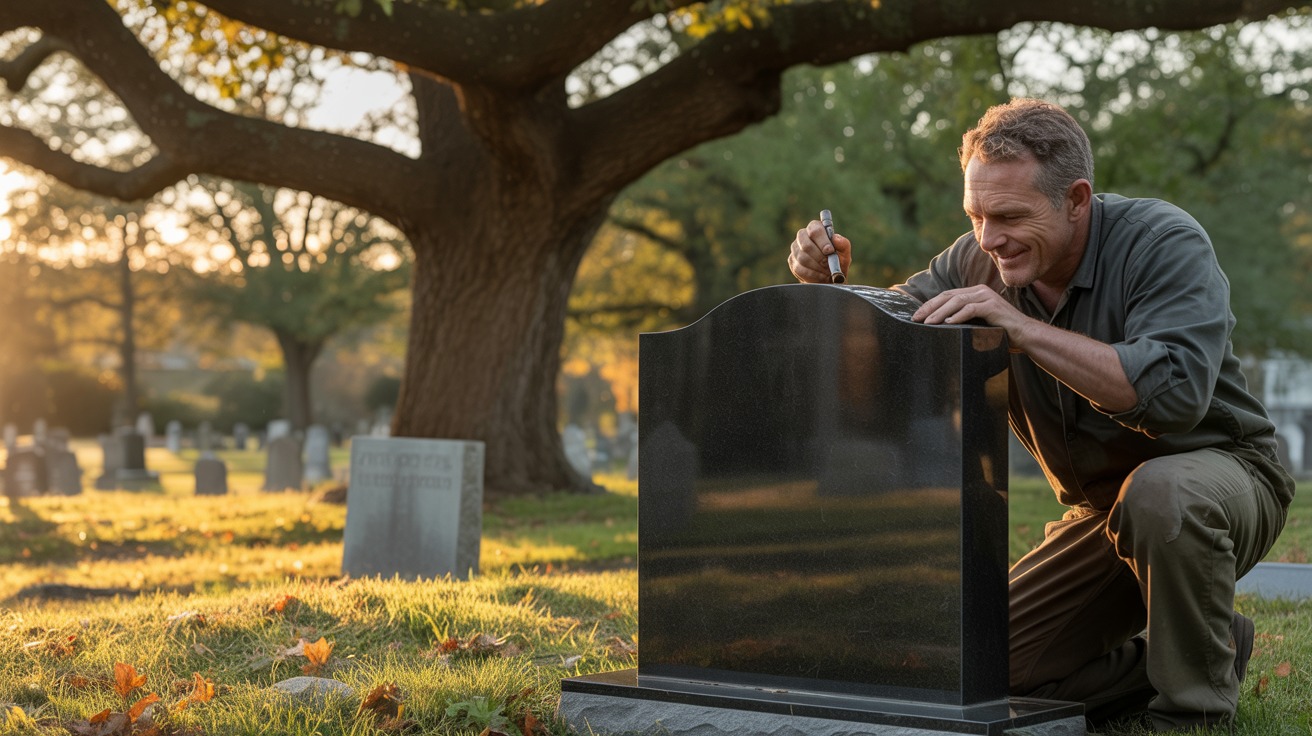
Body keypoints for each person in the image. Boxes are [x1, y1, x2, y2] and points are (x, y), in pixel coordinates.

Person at [788, 98, 1294, 731]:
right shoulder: (976, 261)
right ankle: (1202, 650)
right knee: (980, 671)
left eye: (1007, 216)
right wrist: (829, 289)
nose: (987, 238)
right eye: (974, 214)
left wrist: (1019, 329)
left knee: (1161, 495)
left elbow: (1173, 397)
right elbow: (897, 341)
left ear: (1076, 199)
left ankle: (1190, 711)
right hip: (1100, 516)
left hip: (1220, 481)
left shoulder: (1164, 242)